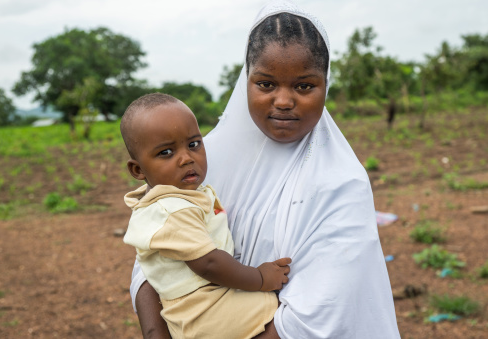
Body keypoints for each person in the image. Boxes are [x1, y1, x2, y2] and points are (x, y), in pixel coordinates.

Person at [130, 1, 401, 338]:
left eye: (304, 86)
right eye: (266, 84)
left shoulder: (342, 185)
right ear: (247, 79)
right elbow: (153, 255)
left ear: (326, 85)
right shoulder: (198, 161)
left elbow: (315, 317)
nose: (284, 101)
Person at [120, 93, 291, 339]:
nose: (186, 158)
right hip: (207, 313)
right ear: (137, 169)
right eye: (166, 152)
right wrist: (260, 278)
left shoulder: (174, 197)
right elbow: (207, 263)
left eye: (193, 144)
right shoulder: (172, 210)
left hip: (200, 312)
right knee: (281, 313)